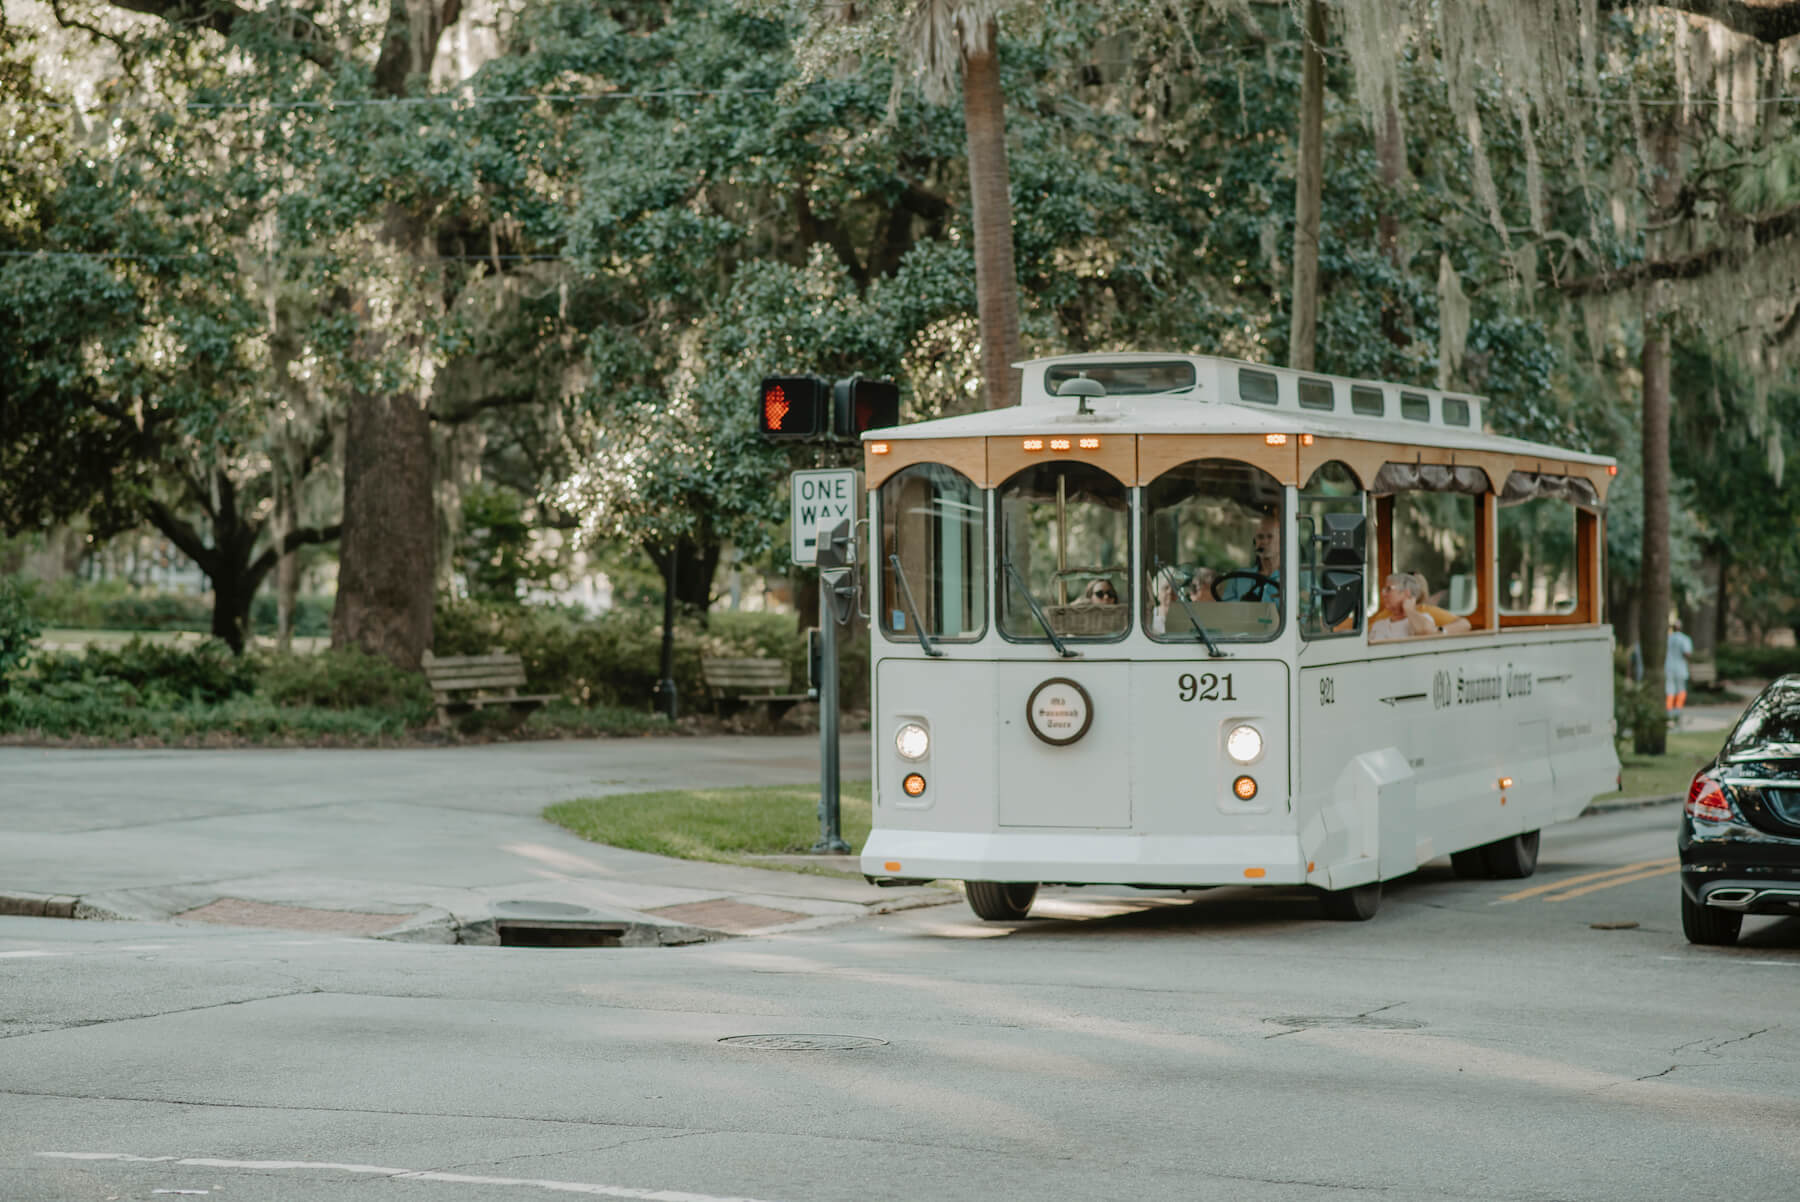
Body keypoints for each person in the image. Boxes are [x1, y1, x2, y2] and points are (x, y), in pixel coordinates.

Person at [1215, 513, 1281, 601]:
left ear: (1281, 540)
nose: (1264, 541)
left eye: (1270, 537)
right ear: (1254, 542)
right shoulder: (1238, 577)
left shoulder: (1291, 579)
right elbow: (1226, 608)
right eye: (1260, 537)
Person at [1369, 572, 1439, 641]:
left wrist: (1409, 610)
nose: (1383, 594)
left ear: (1406, 593)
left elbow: (1428, 631)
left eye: (1388, 589)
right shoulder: (1378, 625)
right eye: (1384, 590)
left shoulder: (1422, 620)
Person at [1666, 618, 1694, 719]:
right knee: (1681, 690)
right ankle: (1678, 711)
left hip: (1668, 667)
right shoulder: (1685, 639)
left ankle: (1669, 711)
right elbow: (1687, 653)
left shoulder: (1668, 639)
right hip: (1680, 668)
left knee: (1670, 689)